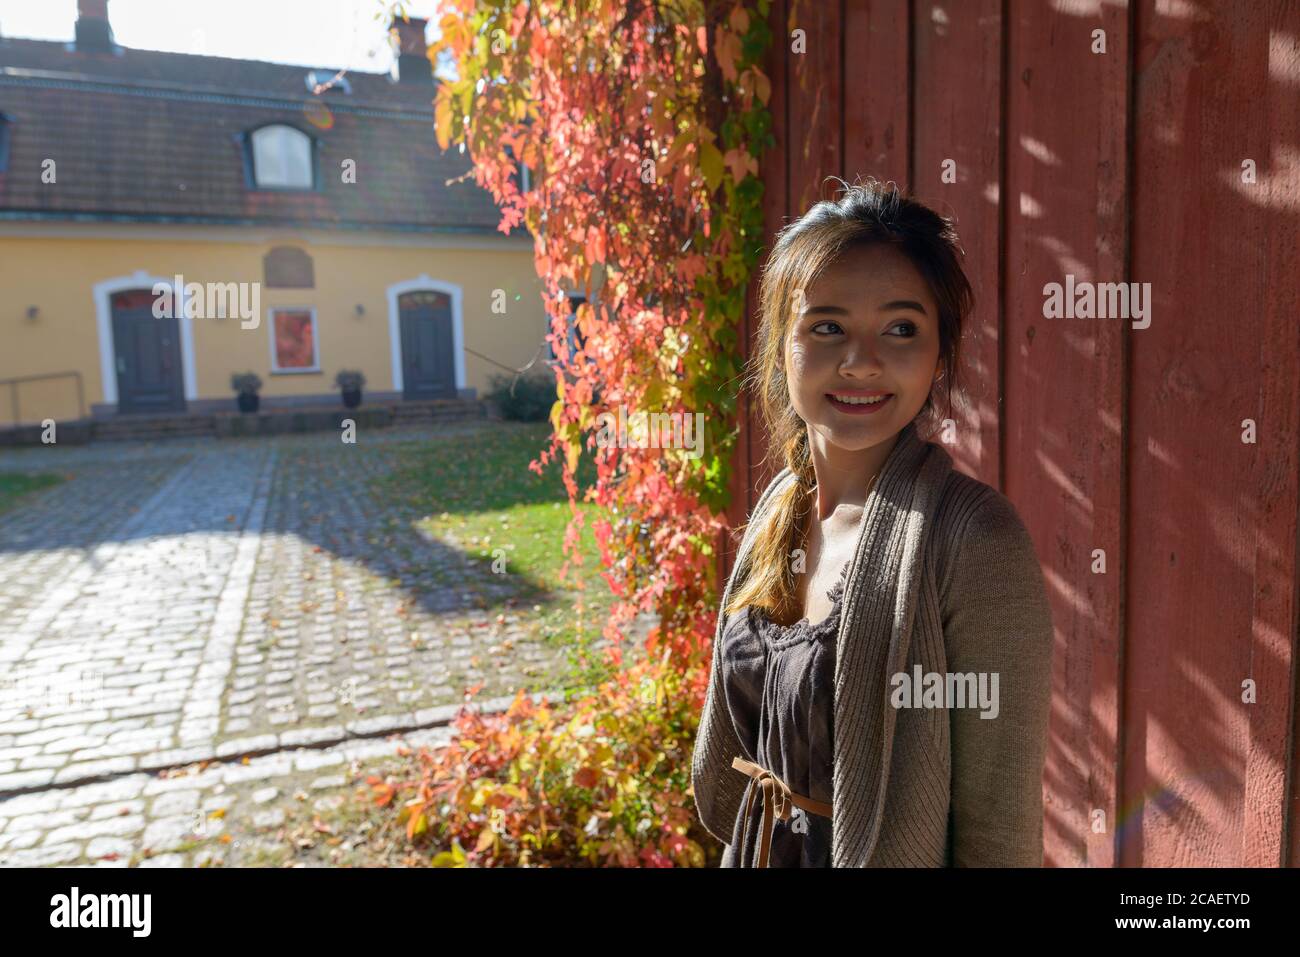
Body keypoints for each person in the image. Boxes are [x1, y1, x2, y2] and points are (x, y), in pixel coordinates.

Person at [691, 177, 1056, 867]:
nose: (861, 361)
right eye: (826, 325)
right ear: (781, 347)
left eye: (900, 328)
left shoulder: (975, 543)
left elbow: (1000, 836)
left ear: (940, 354)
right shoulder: (779, 509)